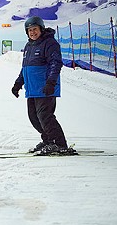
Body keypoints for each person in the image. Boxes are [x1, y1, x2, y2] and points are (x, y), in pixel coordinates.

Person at [11, 16, 73, 155]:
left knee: (45, 116)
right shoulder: (29, 46)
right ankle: (48, 140)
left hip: (45, 88)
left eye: (35, 29)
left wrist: (51, 82)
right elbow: (25, 67)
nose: (32, 32)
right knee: (34, 117)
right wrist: (18, 83)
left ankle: (59, 144)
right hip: (32, 89)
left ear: (41, 29)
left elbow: (55, 63)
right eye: (30, 30)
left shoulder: (49, 43)